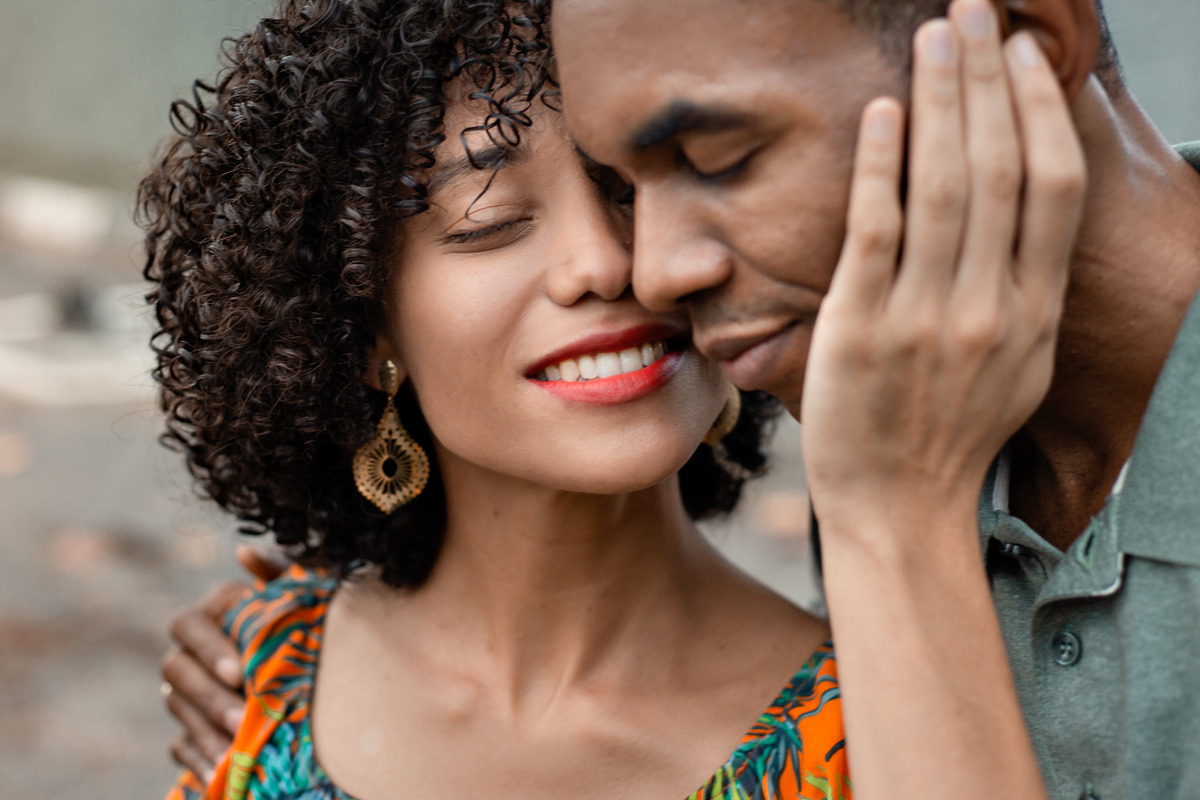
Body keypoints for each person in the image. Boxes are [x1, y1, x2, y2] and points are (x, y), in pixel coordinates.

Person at [161, 0, 1105, 797]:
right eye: (489, 221)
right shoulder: (261, 676)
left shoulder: (899, 734)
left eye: (632, 189)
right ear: (363, 330)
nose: (610, 262)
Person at [548, 0, 1200, 798]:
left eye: (718, 158)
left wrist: (892, 523)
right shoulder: (891, 418)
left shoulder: (888, 462)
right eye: (626, 189)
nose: (655, 272)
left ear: (1021, 45)